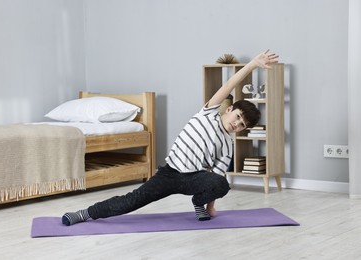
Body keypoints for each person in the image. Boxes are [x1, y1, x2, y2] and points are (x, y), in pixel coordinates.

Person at [62, 50, 279, 226]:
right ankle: (84, 213)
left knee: (222, 183)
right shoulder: (208, 112)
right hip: (169, 173)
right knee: (130, 202)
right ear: (229, 108)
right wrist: (252, 65)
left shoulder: (227, 145)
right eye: (238, 117)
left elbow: (217, 175)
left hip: (194, 178)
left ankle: (198, 203)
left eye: (242, 125)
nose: (237, 124)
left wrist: (210, 206)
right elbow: (229, 85)